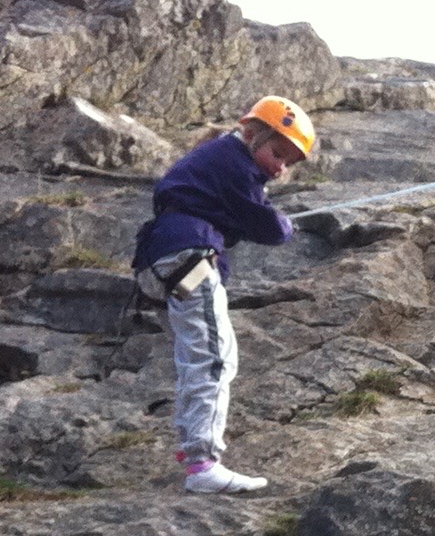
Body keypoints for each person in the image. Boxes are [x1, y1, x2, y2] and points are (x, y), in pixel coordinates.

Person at [131, 95, 315, 494]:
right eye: (276, 153)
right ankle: (202, 463)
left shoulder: (215, 160)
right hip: (189, 256)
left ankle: (193, 453)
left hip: (168, 257)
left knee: (198, 354)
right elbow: (265, 224)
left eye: (287, 162)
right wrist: (283, 226)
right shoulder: (234, 163)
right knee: (214, 357)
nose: (279, 166)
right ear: (251, 134)